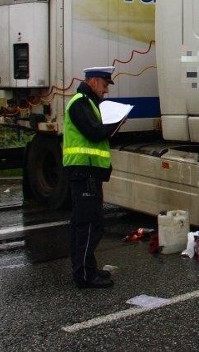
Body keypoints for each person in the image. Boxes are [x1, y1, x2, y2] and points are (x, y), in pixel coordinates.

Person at [64, 66, 120, 289]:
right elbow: (95, 133)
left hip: (88, 172)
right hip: (83, 171)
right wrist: (115, 123)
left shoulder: (88, 103)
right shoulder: (80, 102)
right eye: (105, 86)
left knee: (90, 223)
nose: (106, 91)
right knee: (87, 225)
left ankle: (88, 269)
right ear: (94, 82)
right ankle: (85, 276)